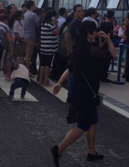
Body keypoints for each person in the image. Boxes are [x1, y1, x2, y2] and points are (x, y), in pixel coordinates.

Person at [51, 20, 116, 166]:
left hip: (80, 89)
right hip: (86, 92)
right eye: (95, 31)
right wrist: (108, 38)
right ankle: (59, 149)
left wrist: (59, 83)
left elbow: (70, 69)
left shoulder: (78, 48)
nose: (96, 33)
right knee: (83, 125)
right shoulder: (92, 49)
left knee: (92, 121)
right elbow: (112, 54)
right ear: (89, 34)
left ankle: (91, 152)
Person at [39, 10, 59, 86]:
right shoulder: (51, 24)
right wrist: (56, 25)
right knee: (47, 64)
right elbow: (57, 33)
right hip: (49, 47)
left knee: (42, 64)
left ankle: (41, 80)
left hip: (43, 46)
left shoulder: (44, 23)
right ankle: (45, 81)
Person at [98, 10, 115, 82]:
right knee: (106, 61)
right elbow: (108, 35)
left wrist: (100, 42)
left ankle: (100, 74)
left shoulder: (103, 23)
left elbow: (100, 33)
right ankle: (103, 76)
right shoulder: (110, 25)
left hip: (101, 44)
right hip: (107, 45)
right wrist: (104, 43)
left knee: (101, 60)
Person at [22, 0, 39, 72]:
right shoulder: (33, 15)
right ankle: (26, 72)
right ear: (32, 6)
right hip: (31, 37)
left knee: (23, 55)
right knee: (28, 56)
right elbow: (37, 25)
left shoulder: (25, 14)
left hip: (24, 36)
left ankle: (21, 70)